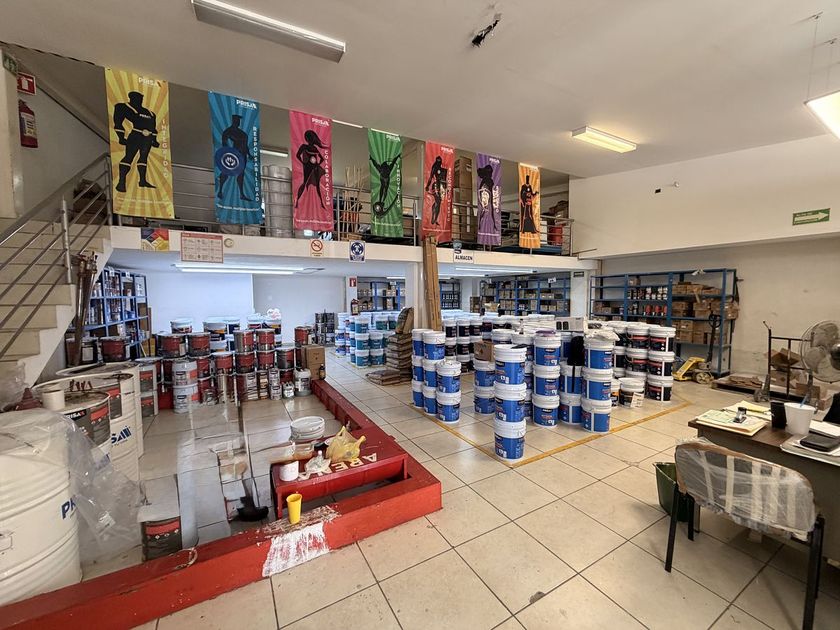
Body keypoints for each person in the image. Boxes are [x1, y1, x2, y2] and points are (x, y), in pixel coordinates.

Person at [113, 91, 159, 192]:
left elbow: (153, 128)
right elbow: (118, 122)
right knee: (129, 157)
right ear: (131, 98)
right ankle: (121, 182)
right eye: (137, 98)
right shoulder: (123, 107)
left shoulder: (150, 113)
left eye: (141, 98)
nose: (139, 100)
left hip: (147, 138)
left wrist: (154, 140)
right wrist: (121, 137)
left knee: (143, 158)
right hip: (135, 136)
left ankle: (142, 180)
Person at [217, 114, 252, 201]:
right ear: (233, 121)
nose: (238, 122)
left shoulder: (243, 134)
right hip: (233, 155)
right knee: (226, 172)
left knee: (241, 174)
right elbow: (224, 144)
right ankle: (220, 191)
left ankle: (241, 194)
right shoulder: (228, 131)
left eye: (239, 120)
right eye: (236, 120)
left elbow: (245, 145)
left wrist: (249, 154)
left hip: (242, 156)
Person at [294, 129, 329, 209]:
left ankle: (321, 203)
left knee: (317, 186)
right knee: (305, 183)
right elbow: (297, 155)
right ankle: (297, 201)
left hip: (313, 168)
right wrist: (303, 163)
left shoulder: (313, 148)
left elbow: (322, 159)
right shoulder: (305, 146)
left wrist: (314, 164)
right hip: (309, 168)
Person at [425, 156, 447, 225]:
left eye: (440, 160)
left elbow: (444, 179)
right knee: (438, 202)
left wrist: (445, 188)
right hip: (436, 187)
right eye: (438, 160)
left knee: (437, 202)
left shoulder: (442, 169)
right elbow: (430, 177)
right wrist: (427, 186)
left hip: (441, 187)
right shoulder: (434, 167)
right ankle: (434, 220)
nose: (439, 162)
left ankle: (434, 218)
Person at [477, 163, 497, 230]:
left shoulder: (487, 181)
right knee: (486, 211)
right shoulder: (487, 181)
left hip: (488, 198)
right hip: (487, 198)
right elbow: (484, 191)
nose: (491, 174)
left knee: (487, 211)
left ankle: (483, 226)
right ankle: (482, 226)